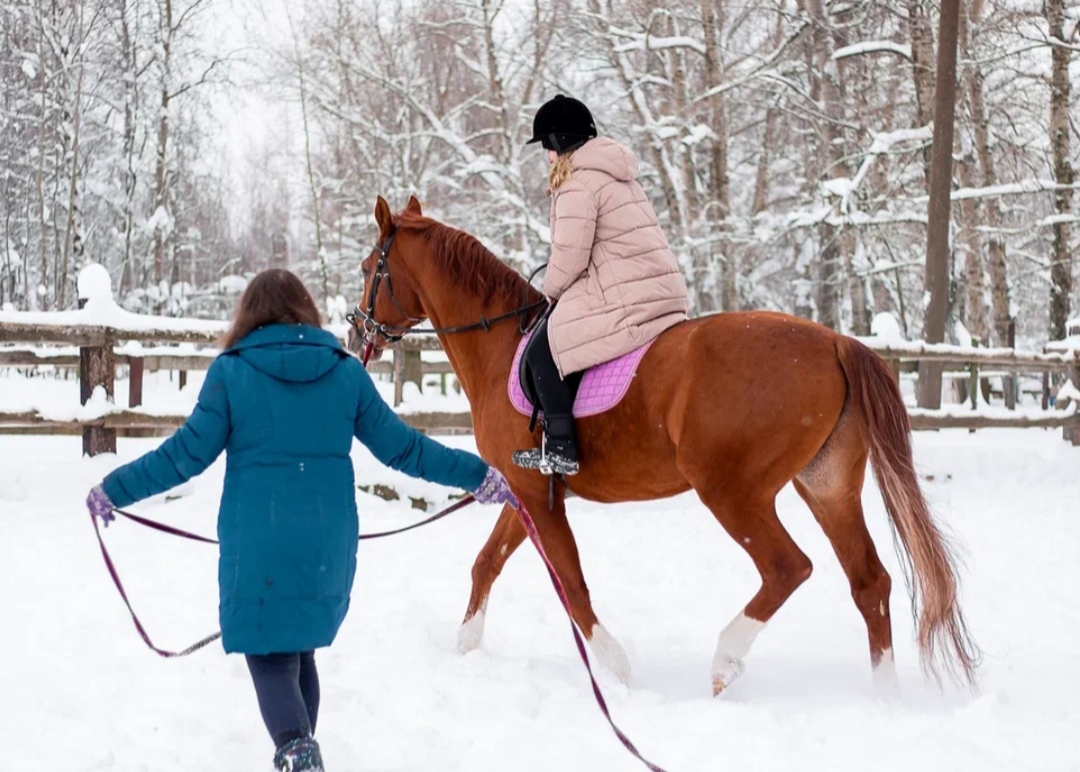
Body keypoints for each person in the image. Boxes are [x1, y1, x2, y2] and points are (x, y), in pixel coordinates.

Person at [84, 269, 518, 772]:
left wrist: (114, 488)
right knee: (299, 651)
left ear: (248, 315)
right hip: (327, 545)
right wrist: (478, 475)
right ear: (305, 312)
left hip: (259, 541)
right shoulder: (344, 372)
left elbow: (182, 456)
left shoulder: (231, 372)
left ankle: (298, 754)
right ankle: (300, 752)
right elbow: (406, 449)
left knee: (270, 654)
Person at [512, 94, 690, 476]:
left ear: (560, 143)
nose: (545, 156)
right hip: (660, 291)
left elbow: (571, 256)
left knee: (544, 350)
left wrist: (550, 292)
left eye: (546, 146)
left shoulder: (578, 182)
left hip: (625, 293)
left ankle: (561, 446)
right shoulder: (616, 174)